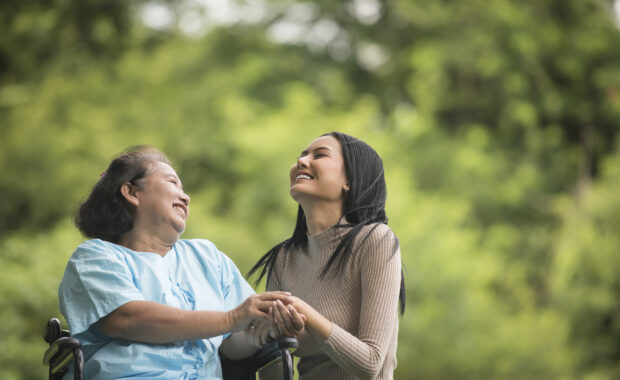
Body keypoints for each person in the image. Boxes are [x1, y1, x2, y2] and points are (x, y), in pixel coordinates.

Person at [58, 145, 294, 380]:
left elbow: (232, 346)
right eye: (172, 183)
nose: (186, 196)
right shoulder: (95, 257)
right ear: (131, 192)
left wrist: (265, 329)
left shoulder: (208, 257)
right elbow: (129, 319)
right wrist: (231, 318)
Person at [248, 132, 405, 380]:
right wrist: (268, 333)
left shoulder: (375, 240)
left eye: (319, 155)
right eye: (301, 156)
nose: (301, 162)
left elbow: (371, 364)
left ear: (350, 180)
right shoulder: (283, 258)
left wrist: (304, 313)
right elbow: (275, 359)